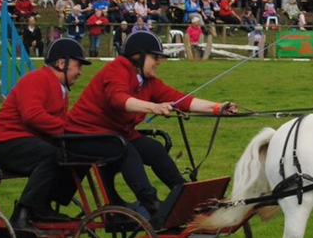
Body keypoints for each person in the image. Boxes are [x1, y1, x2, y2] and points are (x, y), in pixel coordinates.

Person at [65, 31, 238, 219]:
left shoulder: (148, 81)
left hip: (114, 135)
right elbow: (119, 99)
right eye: (154, 57)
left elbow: (181, 100)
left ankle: (186, 195)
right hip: (83, 135)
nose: (158, 62)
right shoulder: (117, 69)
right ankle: (151, 204)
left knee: (154, 149)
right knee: (126, 150)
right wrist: (154, 107)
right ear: (138, 56)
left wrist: (217, 107)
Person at [0, 38, 90, 229]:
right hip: (7, 141)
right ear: (62, 63)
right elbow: (32, 115)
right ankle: (25, 210)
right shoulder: (37, 79)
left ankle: (46, 203)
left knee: (80, 153)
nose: (80, 72)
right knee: (53, 155)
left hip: (27, 140)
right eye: (78, 66)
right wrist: (70, 131)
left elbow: (55, 125)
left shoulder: (59, 89)